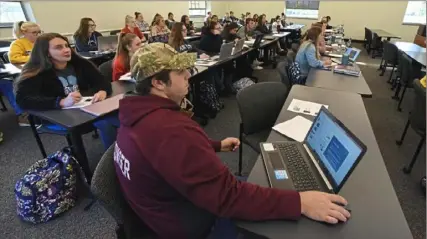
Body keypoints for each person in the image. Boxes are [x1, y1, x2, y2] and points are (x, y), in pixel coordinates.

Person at [114, 42, 351, 239]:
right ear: (157, 83)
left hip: (158, 213)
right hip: (191, 224)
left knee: (265, 183)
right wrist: (300, 203)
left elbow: (165, 155)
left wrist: (214, 145)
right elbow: (228, 197)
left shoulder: (134, 116)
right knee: (286, 217)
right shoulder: (170, 130)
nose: (188, 74)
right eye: (179, 72)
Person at [15, 33, 119, 150]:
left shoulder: (80, 64)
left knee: (121, 116)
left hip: (85, 109)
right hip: (58, 115)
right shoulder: (37, 72)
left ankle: (126, 153)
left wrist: (102, 91)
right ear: (46, 52)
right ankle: (112, 160)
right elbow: (23, 100)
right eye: (58, 47)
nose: (66, 50)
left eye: (66, 45)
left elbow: (102, 81)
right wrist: (60, 102)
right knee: (106, 123)